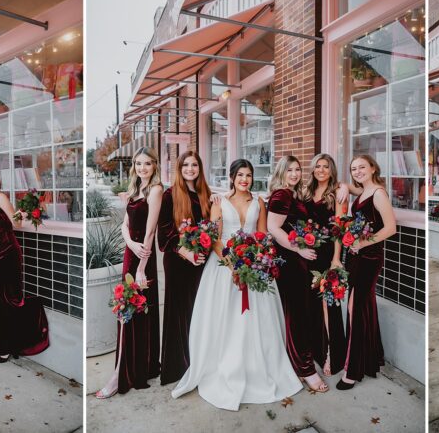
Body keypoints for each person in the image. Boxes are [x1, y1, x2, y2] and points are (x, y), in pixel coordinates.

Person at [172, 159, 302, 410]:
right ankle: (224, 367)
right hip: (224, 267)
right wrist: (233, 265)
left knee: (256, 320)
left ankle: (257, 367)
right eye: (240, 175)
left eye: (249, 175)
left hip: (254, 266)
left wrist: (255, 261)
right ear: (232, 177)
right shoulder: (219, 202)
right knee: (225, 318)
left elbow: (262, 235)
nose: (244, 179)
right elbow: (215, 238)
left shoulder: (259, 202)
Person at [96, 148, 162, 397]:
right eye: (138, 163)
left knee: (135, 310)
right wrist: (130, 244)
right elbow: (124, 224)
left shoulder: (155, 190)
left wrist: (142, 265)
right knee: (126, 311)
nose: (143, 168)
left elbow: (151, 231)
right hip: (130, 252)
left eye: (147, 163)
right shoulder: (135, 188)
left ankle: (122, 374)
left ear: (154, 165)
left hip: (143, 256)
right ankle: (123, 369)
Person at [266, 156, 330, 393]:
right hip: (290, 263)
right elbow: (273, 228)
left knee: (300, 313)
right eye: (289, 170)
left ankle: (300, 363)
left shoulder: (292, 194)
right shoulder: (282, 195)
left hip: (297, 263)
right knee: (297, 316)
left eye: (297, 170)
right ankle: (305, 369)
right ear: (281, 172)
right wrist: (299, 249)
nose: (294, 174)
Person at [0, 169, 50, 363]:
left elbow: (16, 224)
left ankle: (6, 347)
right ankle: (15, 326)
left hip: (8, 252)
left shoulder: (0, 198)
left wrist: (22, 214)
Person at [336, 155, 397, 390]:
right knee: (361, 308)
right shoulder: (362, 191)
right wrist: (344, 186)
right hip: (355, 257)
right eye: (353, 169)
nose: (358, 171)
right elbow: (346, 185)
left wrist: (362, 243)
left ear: (373, 168)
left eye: (362, 167)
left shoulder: (378, 193)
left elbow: (391, 228)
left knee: (356, 308)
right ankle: (369, 359)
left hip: (370, 258)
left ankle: (353, 370)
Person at [156, 151, 211, 385]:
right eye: (185, 165)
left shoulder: (205, 194)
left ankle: (199, 363)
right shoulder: (170, 195)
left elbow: (211, 227)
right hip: (178, 260)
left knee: (199, 310)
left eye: (194, 165)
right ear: (179, 169)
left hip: (201, 261)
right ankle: (178, 367)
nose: (190, 169)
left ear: (200, 168)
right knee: (179, 312)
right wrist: (185, 252)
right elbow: (164, 232)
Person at [300, 153, 349, 376]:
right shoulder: (306, 191)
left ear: (332, 170)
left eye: (326, 166)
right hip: (308, 253)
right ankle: (315, 350)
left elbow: (339, 228)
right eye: (317, 166)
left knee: (329, 304)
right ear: (312, 169)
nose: (321, 170)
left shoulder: (338, 192)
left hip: (328, 253)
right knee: (310, 304)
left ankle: (333, 355)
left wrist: (336, 258)